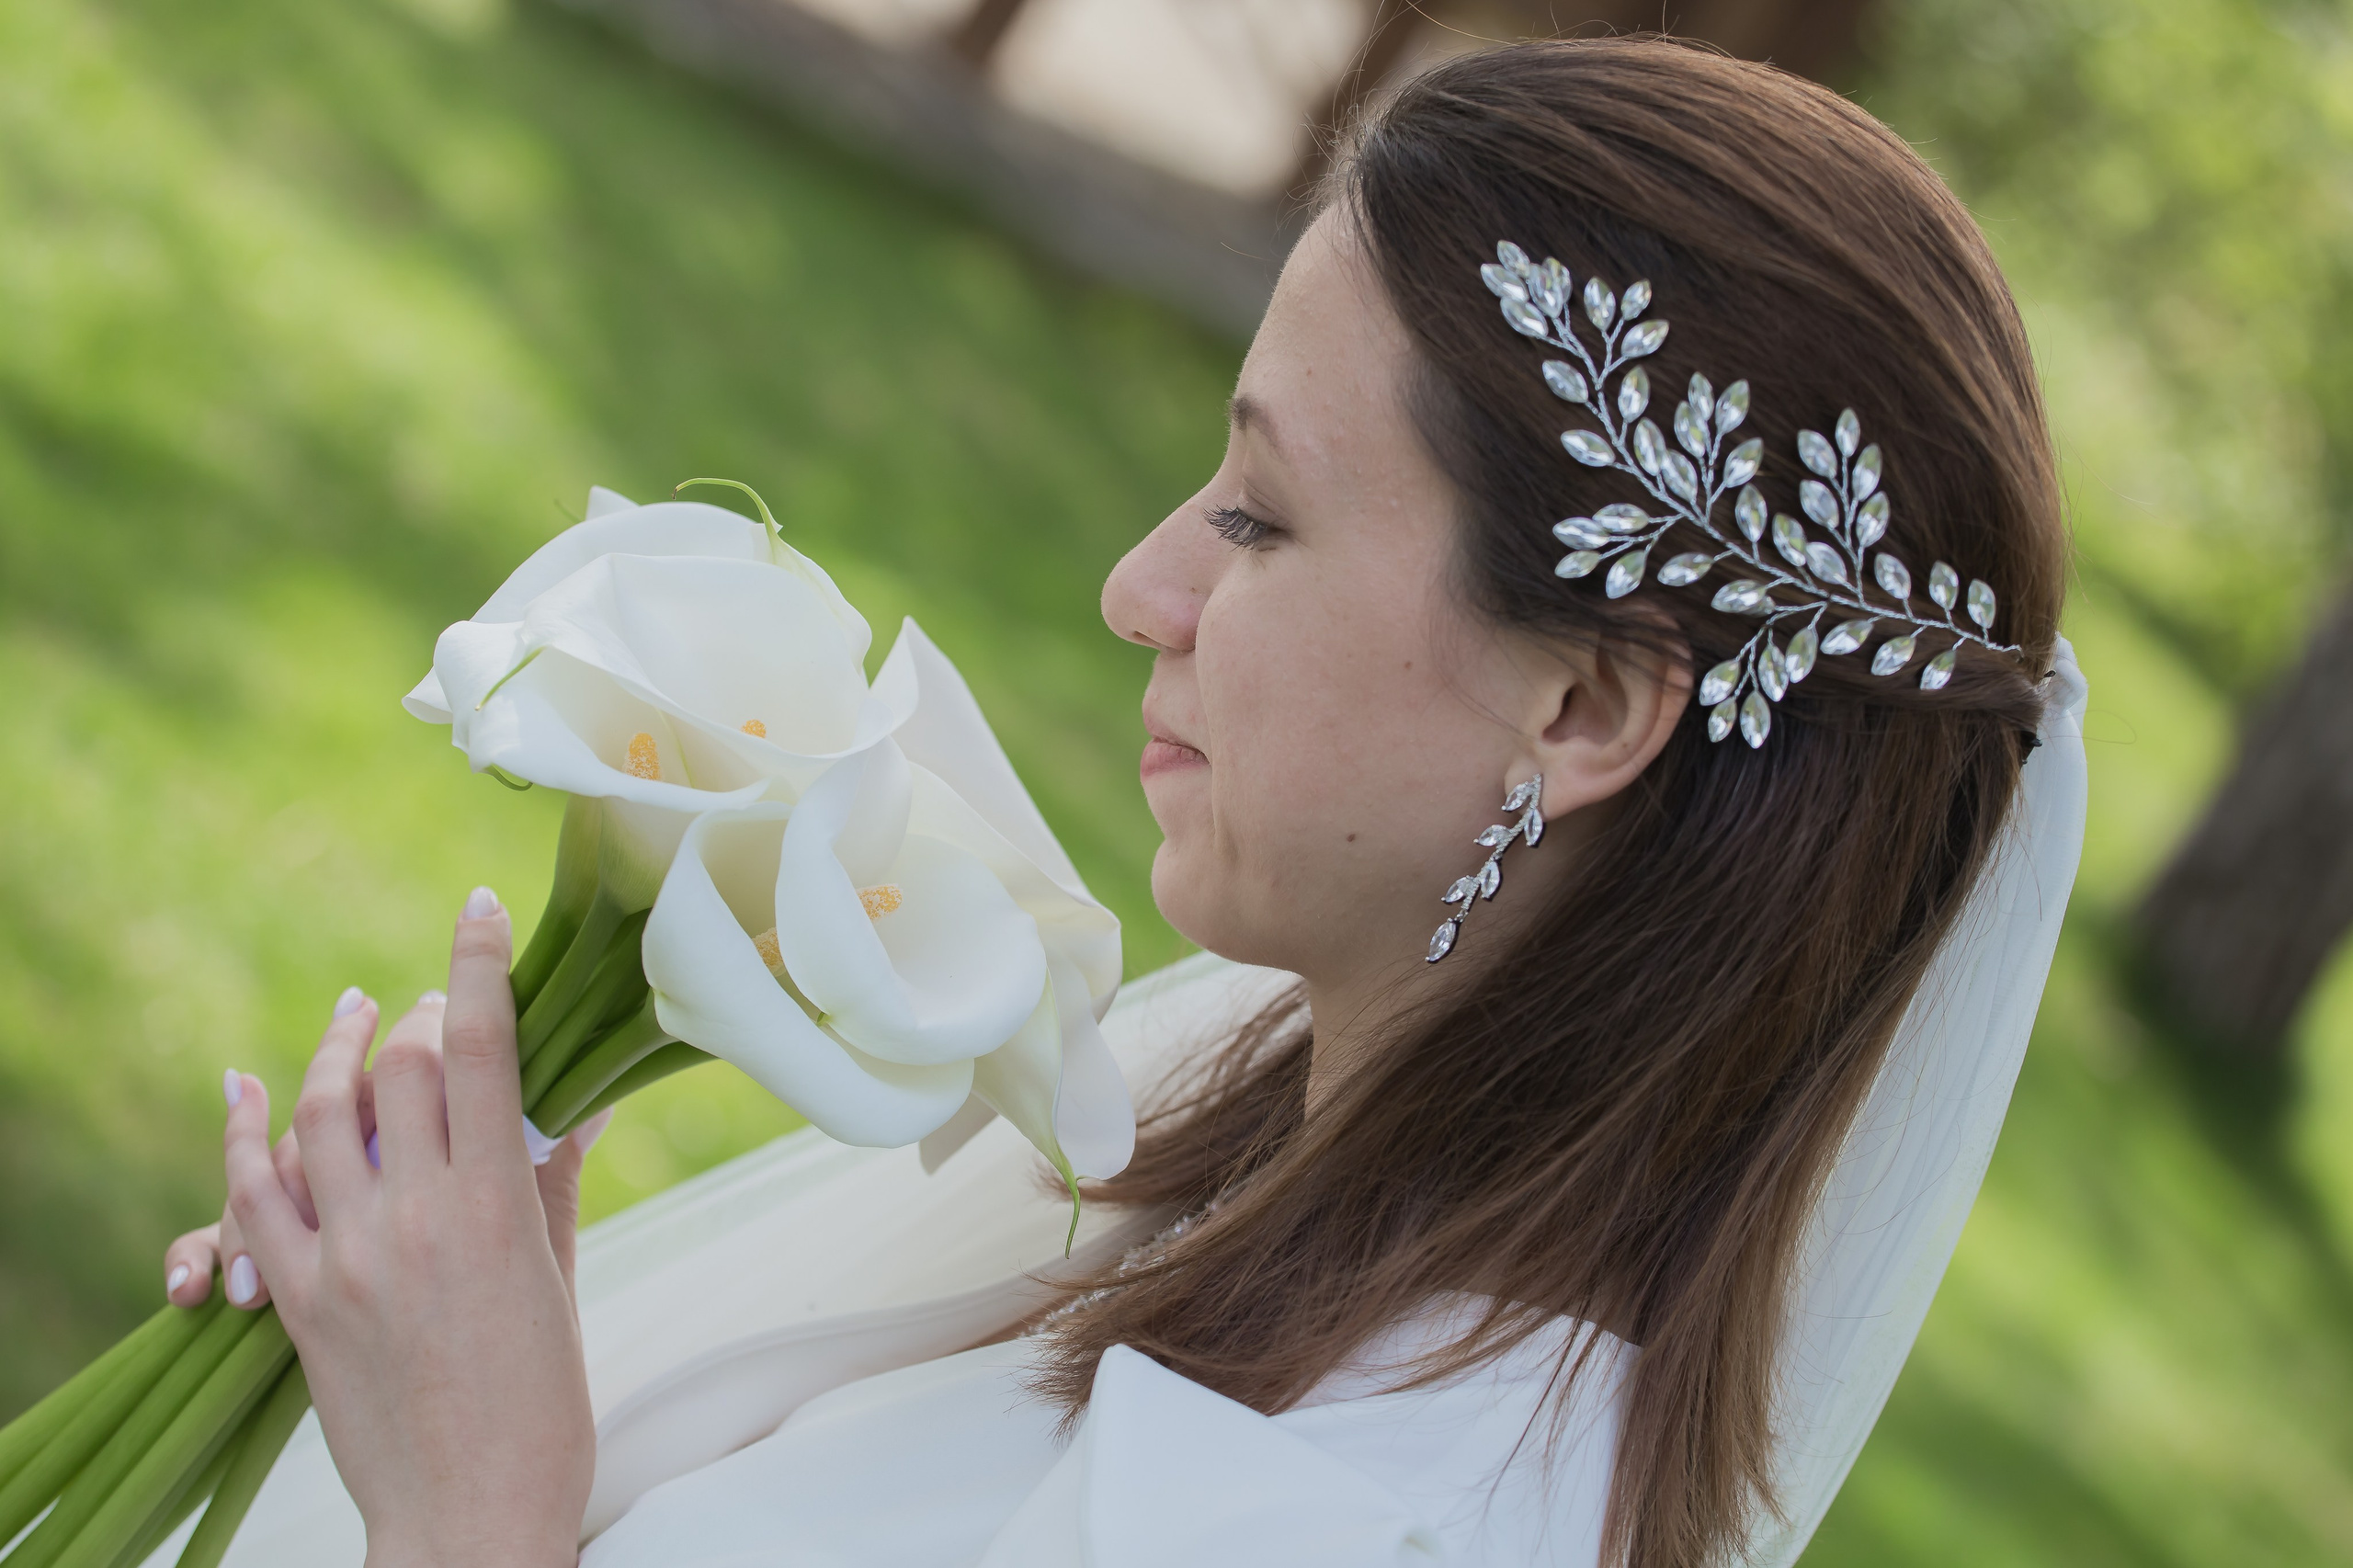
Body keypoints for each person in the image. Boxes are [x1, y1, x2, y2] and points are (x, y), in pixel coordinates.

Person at [159, 36, 2085, 1568]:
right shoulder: (1272, 1199)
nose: (1138, 586)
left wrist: (461, 1523)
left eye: (1259, 513)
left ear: (1579, 702)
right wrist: (458, 1366)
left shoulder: (1358, 1524)